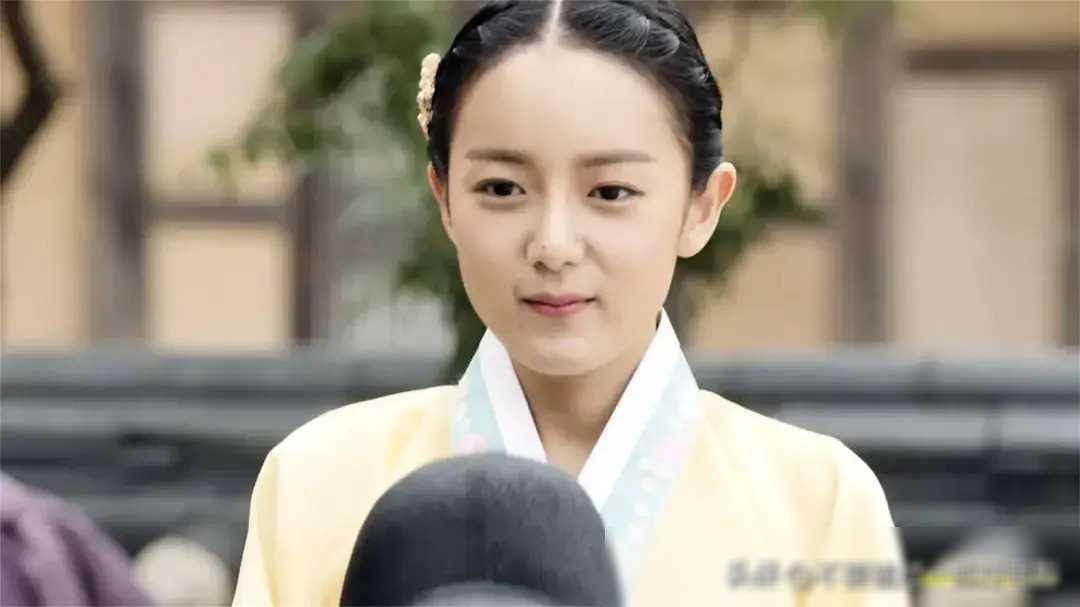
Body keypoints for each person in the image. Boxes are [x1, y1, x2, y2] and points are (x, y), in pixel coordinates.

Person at [233, 1, 909, 605]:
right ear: (444, 198)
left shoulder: (817, 499)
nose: (553, 245)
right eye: (502, 188)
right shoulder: (317, 476)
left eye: (610, 192)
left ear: (702, 206)